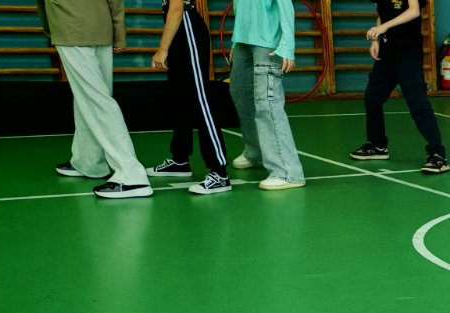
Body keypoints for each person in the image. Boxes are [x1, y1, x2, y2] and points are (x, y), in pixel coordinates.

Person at [37, 0, 152, 198]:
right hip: (101, 28)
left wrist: (51, 29)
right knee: (91, 97)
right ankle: (89, 161)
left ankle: (131, 175)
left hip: (69, 27)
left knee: (96, 99)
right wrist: (119, 33)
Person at [349, 0, 449, 174]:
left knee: (418, 103)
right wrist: (376, 40)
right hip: (387, 51)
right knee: (372, 98)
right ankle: (378, 145)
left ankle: (437, 154)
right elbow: (383, 14)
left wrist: (384, 27)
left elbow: (414, 11)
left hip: (407, 52)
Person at [145, 0, 230, 195]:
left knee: (200, 99)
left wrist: (162, 49)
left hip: (188, 29)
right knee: (179, 98)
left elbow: (176, 8)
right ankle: (180, 160)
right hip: (178, 31)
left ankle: (220, 173)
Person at [228, 0, 305, 189]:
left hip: (268, 43)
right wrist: (236, 41)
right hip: (243, 41)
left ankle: (288, 172)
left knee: (268, 103)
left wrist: (287, 45)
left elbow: (286, 6)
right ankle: (256, 152)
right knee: (240, 95)